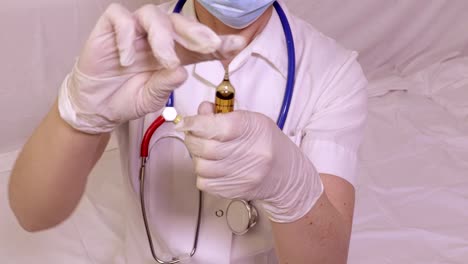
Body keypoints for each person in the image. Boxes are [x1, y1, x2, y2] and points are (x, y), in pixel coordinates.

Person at [8, 0, 368, 263]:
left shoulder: (332, 72)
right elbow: (33, 213)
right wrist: (81, 113)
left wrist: (293, 189)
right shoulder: (131, 43)